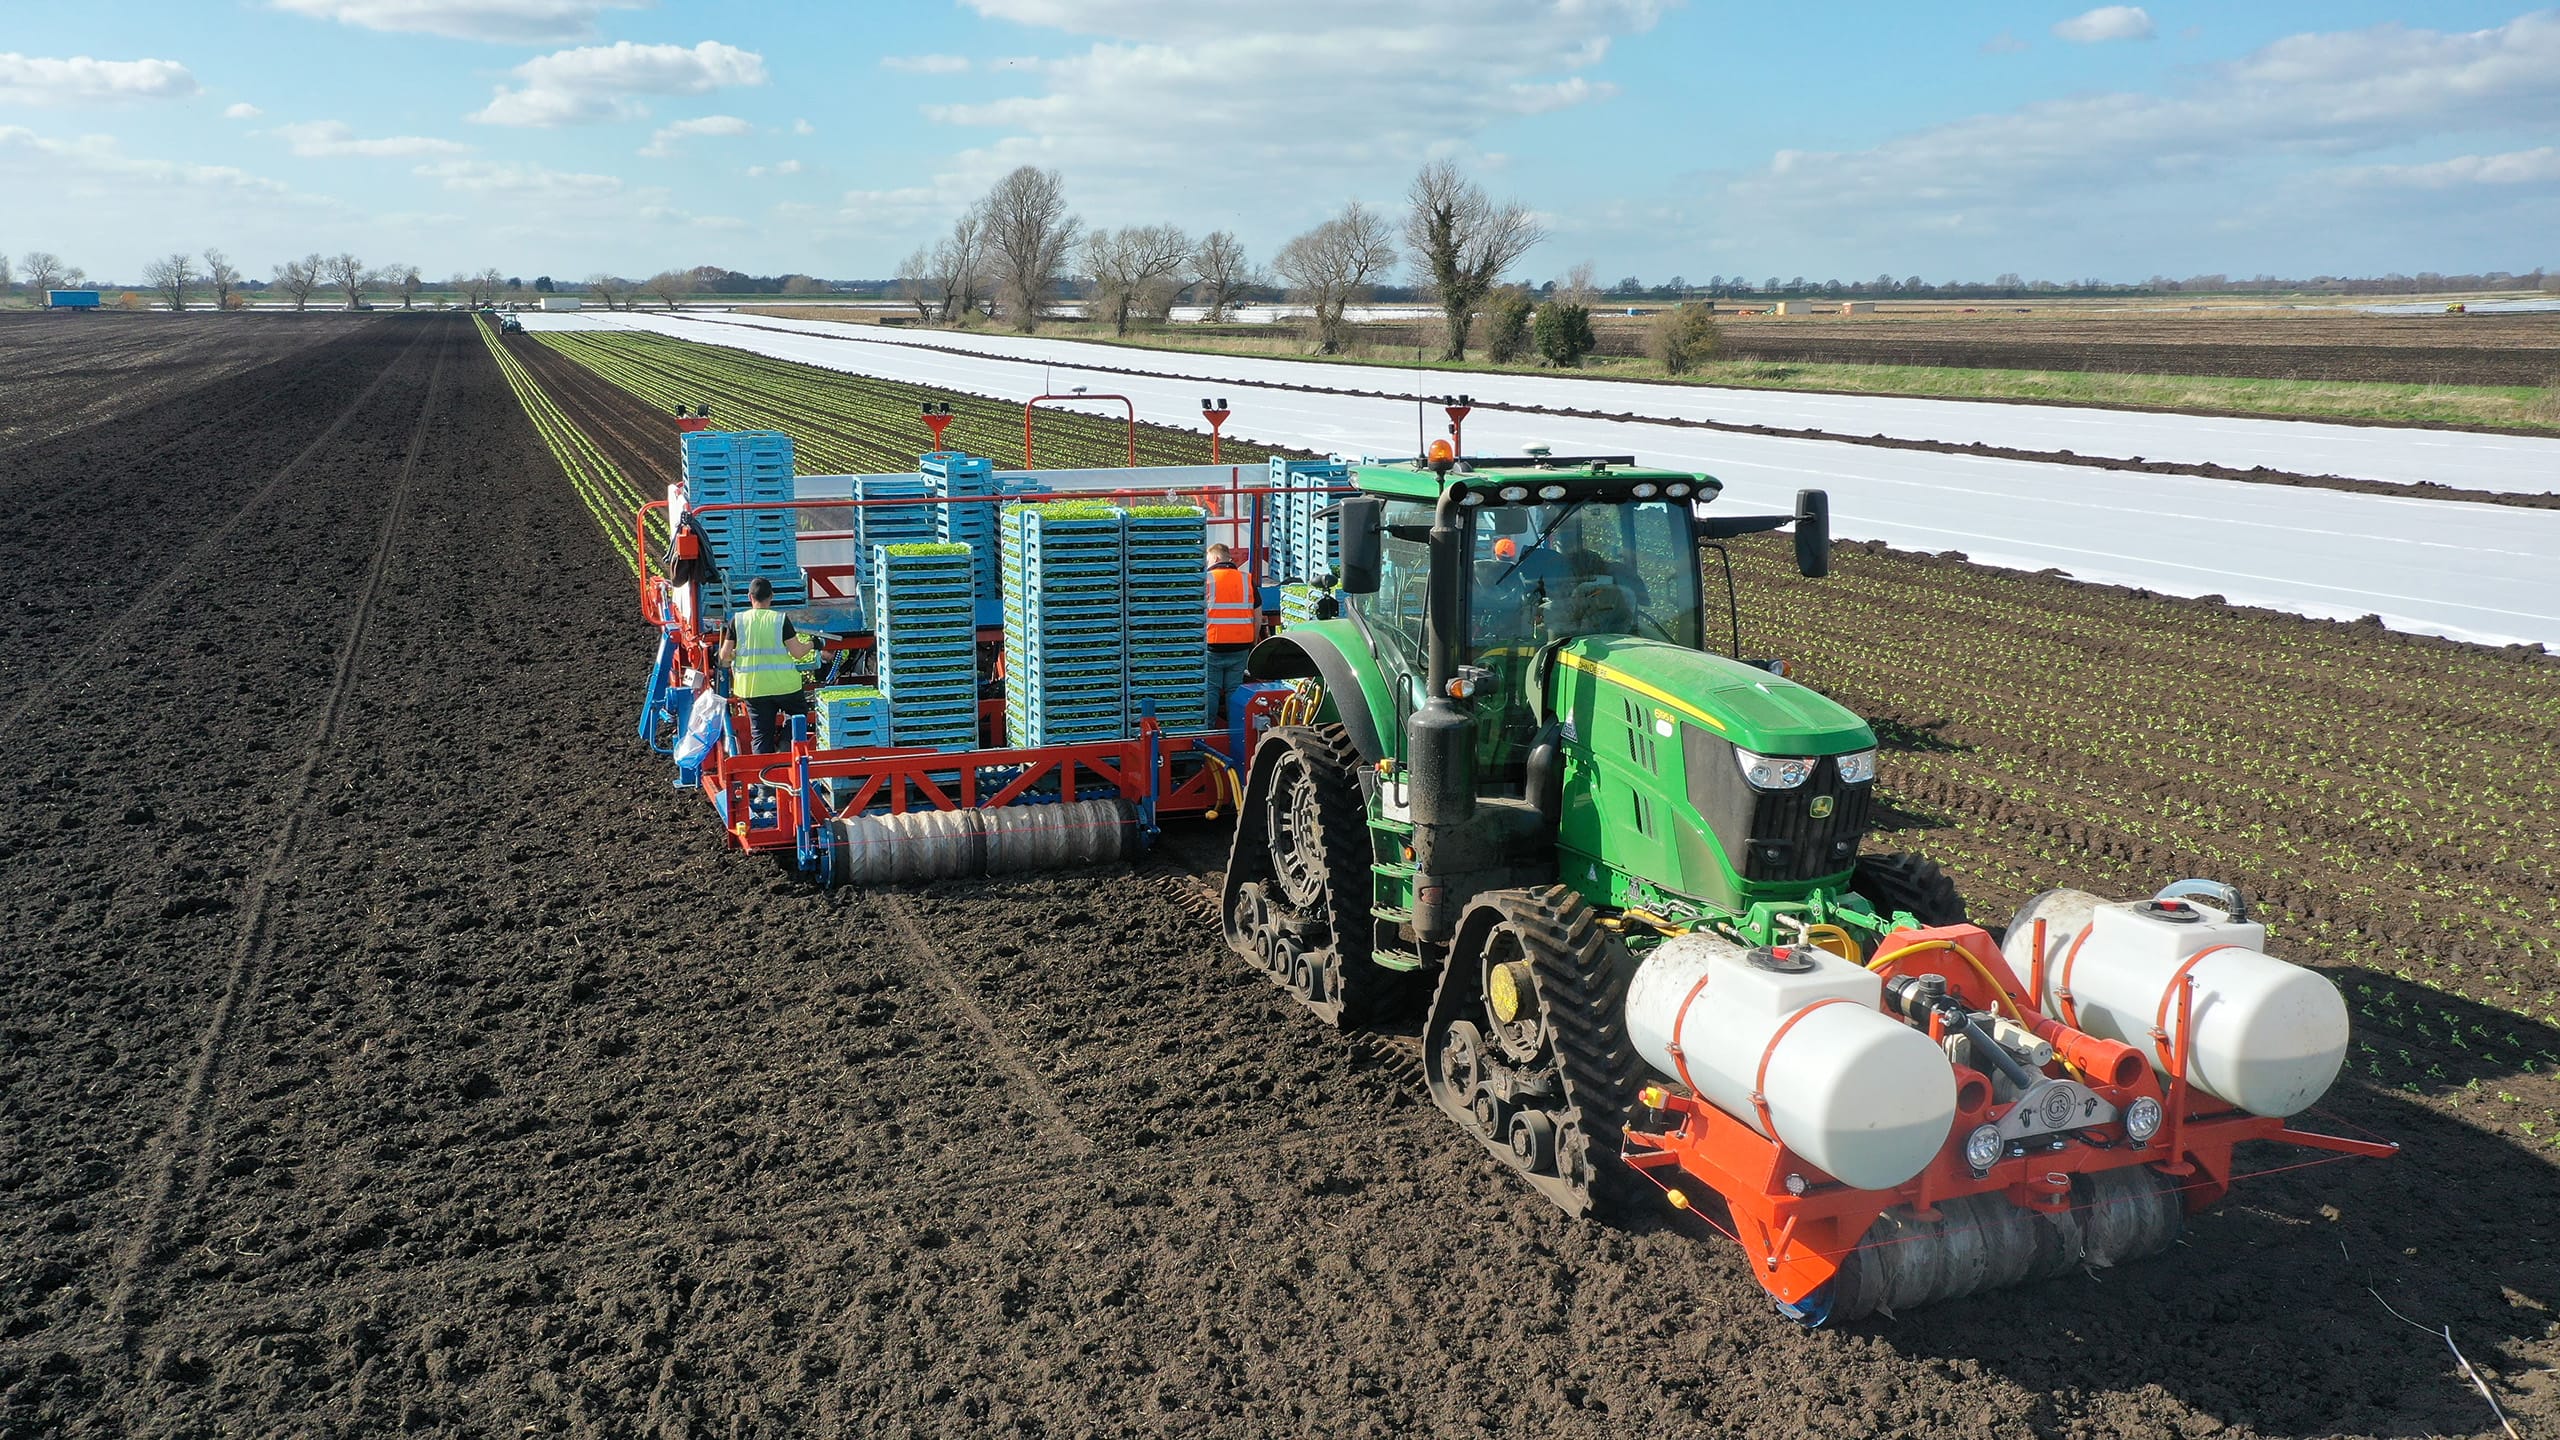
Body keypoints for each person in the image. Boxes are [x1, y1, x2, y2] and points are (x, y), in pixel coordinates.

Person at [718, 576, 813, 753]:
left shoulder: (737, 621)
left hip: (752, 689)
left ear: (749, 597)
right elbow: (798, 652)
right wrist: (813, 644)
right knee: (798, 713)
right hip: (785, 687)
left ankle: (762, 777)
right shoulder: (779, 620)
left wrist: (734, 655)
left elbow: (724, 656)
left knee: (761, 734)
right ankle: (787, 743)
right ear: (772, 596)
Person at [1205, 542, 1258, 721]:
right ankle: (1237, 731)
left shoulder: (1207, 579)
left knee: (1211, 689)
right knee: (1234, 689)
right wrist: (1253, 641)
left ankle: (1208, 730)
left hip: (1213, 645)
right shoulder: (1247, 579)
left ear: (1216, 558)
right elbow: (1257, 614)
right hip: (1240, 646)